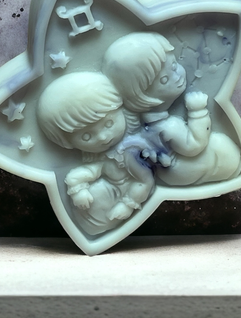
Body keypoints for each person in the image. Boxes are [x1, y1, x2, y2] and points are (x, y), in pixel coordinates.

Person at [103, 32, 241, 186]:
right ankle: (234, 170)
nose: (176, 77)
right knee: (220, 145)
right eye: (164, 80)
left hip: (169, 169)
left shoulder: (149, 122)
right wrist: (198, 112)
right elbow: (195, 145)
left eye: (174, 66)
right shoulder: (168, 126)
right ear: (143, 96)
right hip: (178, 170)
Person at [36, 72, 155, 234]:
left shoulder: (130, 151)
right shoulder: (101, 158)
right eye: (86, 136)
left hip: (129, 196)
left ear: (120, 108)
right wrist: (77, 189)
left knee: (99, 193)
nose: (103, 137)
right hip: (103, 206)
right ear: (67, 142)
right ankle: (93, 228)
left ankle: (99, 227)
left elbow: (145, 181)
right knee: (95, 195)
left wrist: (127, 205)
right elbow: (86, 172)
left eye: (109, 123)